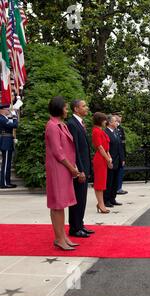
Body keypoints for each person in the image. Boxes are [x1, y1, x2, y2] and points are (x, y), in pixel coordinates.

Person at [45, 96, 80, 251]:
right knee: (57, 205)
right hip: (58, 168)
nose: (67, 110)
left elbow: (68, 149)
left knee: (62, 204)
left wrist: (73, 166)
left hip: (65, 168)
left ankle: (63, 236)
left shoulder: (61, 125)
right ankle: (59, 238)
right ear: (59, 109)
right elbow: (58, 152)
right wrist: (71, 168)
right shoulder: (52, 126)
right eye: (65, 108)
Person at [67, 100, 94, 238]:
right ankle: (74, 227)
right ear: (76, 109)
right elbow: (75, 150)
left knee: (82, 198)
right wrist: (80, 170)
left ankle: (80, 224)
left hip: (85, 166)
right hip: (80, 169)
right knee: (77, 198)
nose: (86, 108)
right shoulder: (72, 124)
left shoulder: (80, 123)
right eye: (84, 106)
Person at [92, 112, 112, 214]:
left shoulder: (101, 131)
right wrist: (107, 158)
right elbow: (100, 147)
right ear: (100, 121)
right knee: (99, 183)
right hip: (100, 159)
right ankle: (101, 204)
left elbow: (106, 147)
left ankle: (101, 203)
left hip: (103, 158)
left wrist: (109, 157)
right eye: (104, 120)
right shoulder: (96, 131)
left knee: (103, 182)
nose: (106, 122)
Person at [104, 115, 124, 207]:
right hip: (111, 161)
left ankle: (113, 198)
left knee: (115, 182)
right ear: (110, 123)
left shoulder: (116, 132)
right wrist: (109, 160)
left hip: (118, 160)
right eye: (115, 121)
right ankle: (106, 200)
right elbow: (105, 149)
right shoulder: (106, 132)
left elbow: (120, 146)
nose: (117, 123)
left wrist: (122, 158)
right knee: (109, 181)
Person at [0, 103, 18, 189]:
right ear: (2, 110)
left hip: (8, 141)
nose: (8, 111)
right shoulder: (2, 118)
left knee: (7, 163)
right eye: (7, 109)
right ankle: (4, 183)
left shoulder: (4, 118)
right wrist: (14, 116)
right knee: (6, 163)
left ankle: (7, 182)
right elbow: (15, 125)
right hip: (6, 142)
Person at [114, 112, 128, 195]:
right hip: (117, 155)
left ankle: (119, 187)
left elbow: (123, 143)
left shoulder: (120, 128)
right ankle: (117, 188)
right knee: (118, 172)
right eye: (118, 116)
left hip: (121, 153)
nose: (120, 117)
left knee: (120, 172)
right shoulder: (116, 128)